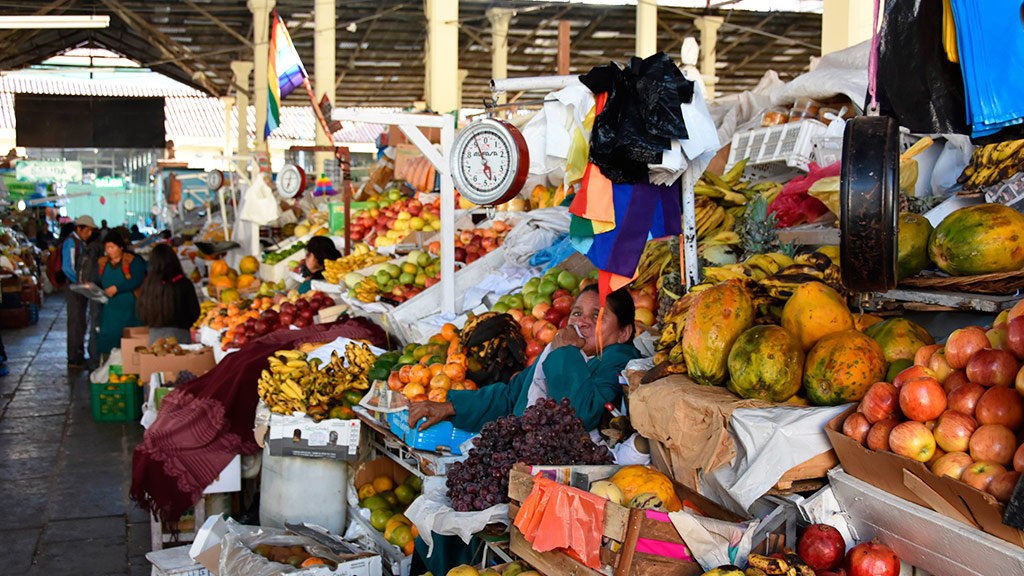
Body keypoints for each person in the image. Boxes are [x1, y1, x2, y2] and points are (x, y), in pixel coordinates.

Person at [409, 284, 640, 435]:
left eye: (597, 316)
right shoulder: (559, 351)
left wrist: (567, 350)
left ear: (624, 333)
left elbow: (579, 414)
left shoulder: (621, 362)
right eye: (577, 313)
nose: (582, 322)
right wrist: (451, 406)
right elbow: (512, 395)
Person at [93, 232, 147, 357]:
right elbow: (98, 280)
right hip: (110, 309)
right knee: (108, 339)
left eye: (112, 247)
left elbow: (137, 279)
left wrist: (117, 288)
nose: (109, 251)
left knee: (130, 340)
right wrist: (91, 287)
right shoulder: (102, 263)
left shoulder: (133, 260)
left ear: (121, 247)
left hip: (130, 308)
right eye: (107, 248)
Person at [136, 244, 200, 344]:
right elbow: (194, 312)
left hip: (155, 338)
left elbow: (140, 312)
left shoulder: (148, 285)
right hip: (181, 337)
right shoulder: (184, 284)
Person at [62, 215, 97, 369]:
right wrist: (79, 282)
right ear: (79, 229)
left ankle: (79, 353)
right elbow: (67, 267)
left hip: (80, 287)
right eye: (87, 230)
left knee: (81, 321)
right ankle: (74, 357)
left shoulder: (81, 242)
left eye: (90, 231)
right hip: (74, 287)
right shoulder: (71, 242)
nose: (89, 233)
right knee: (76, 321)